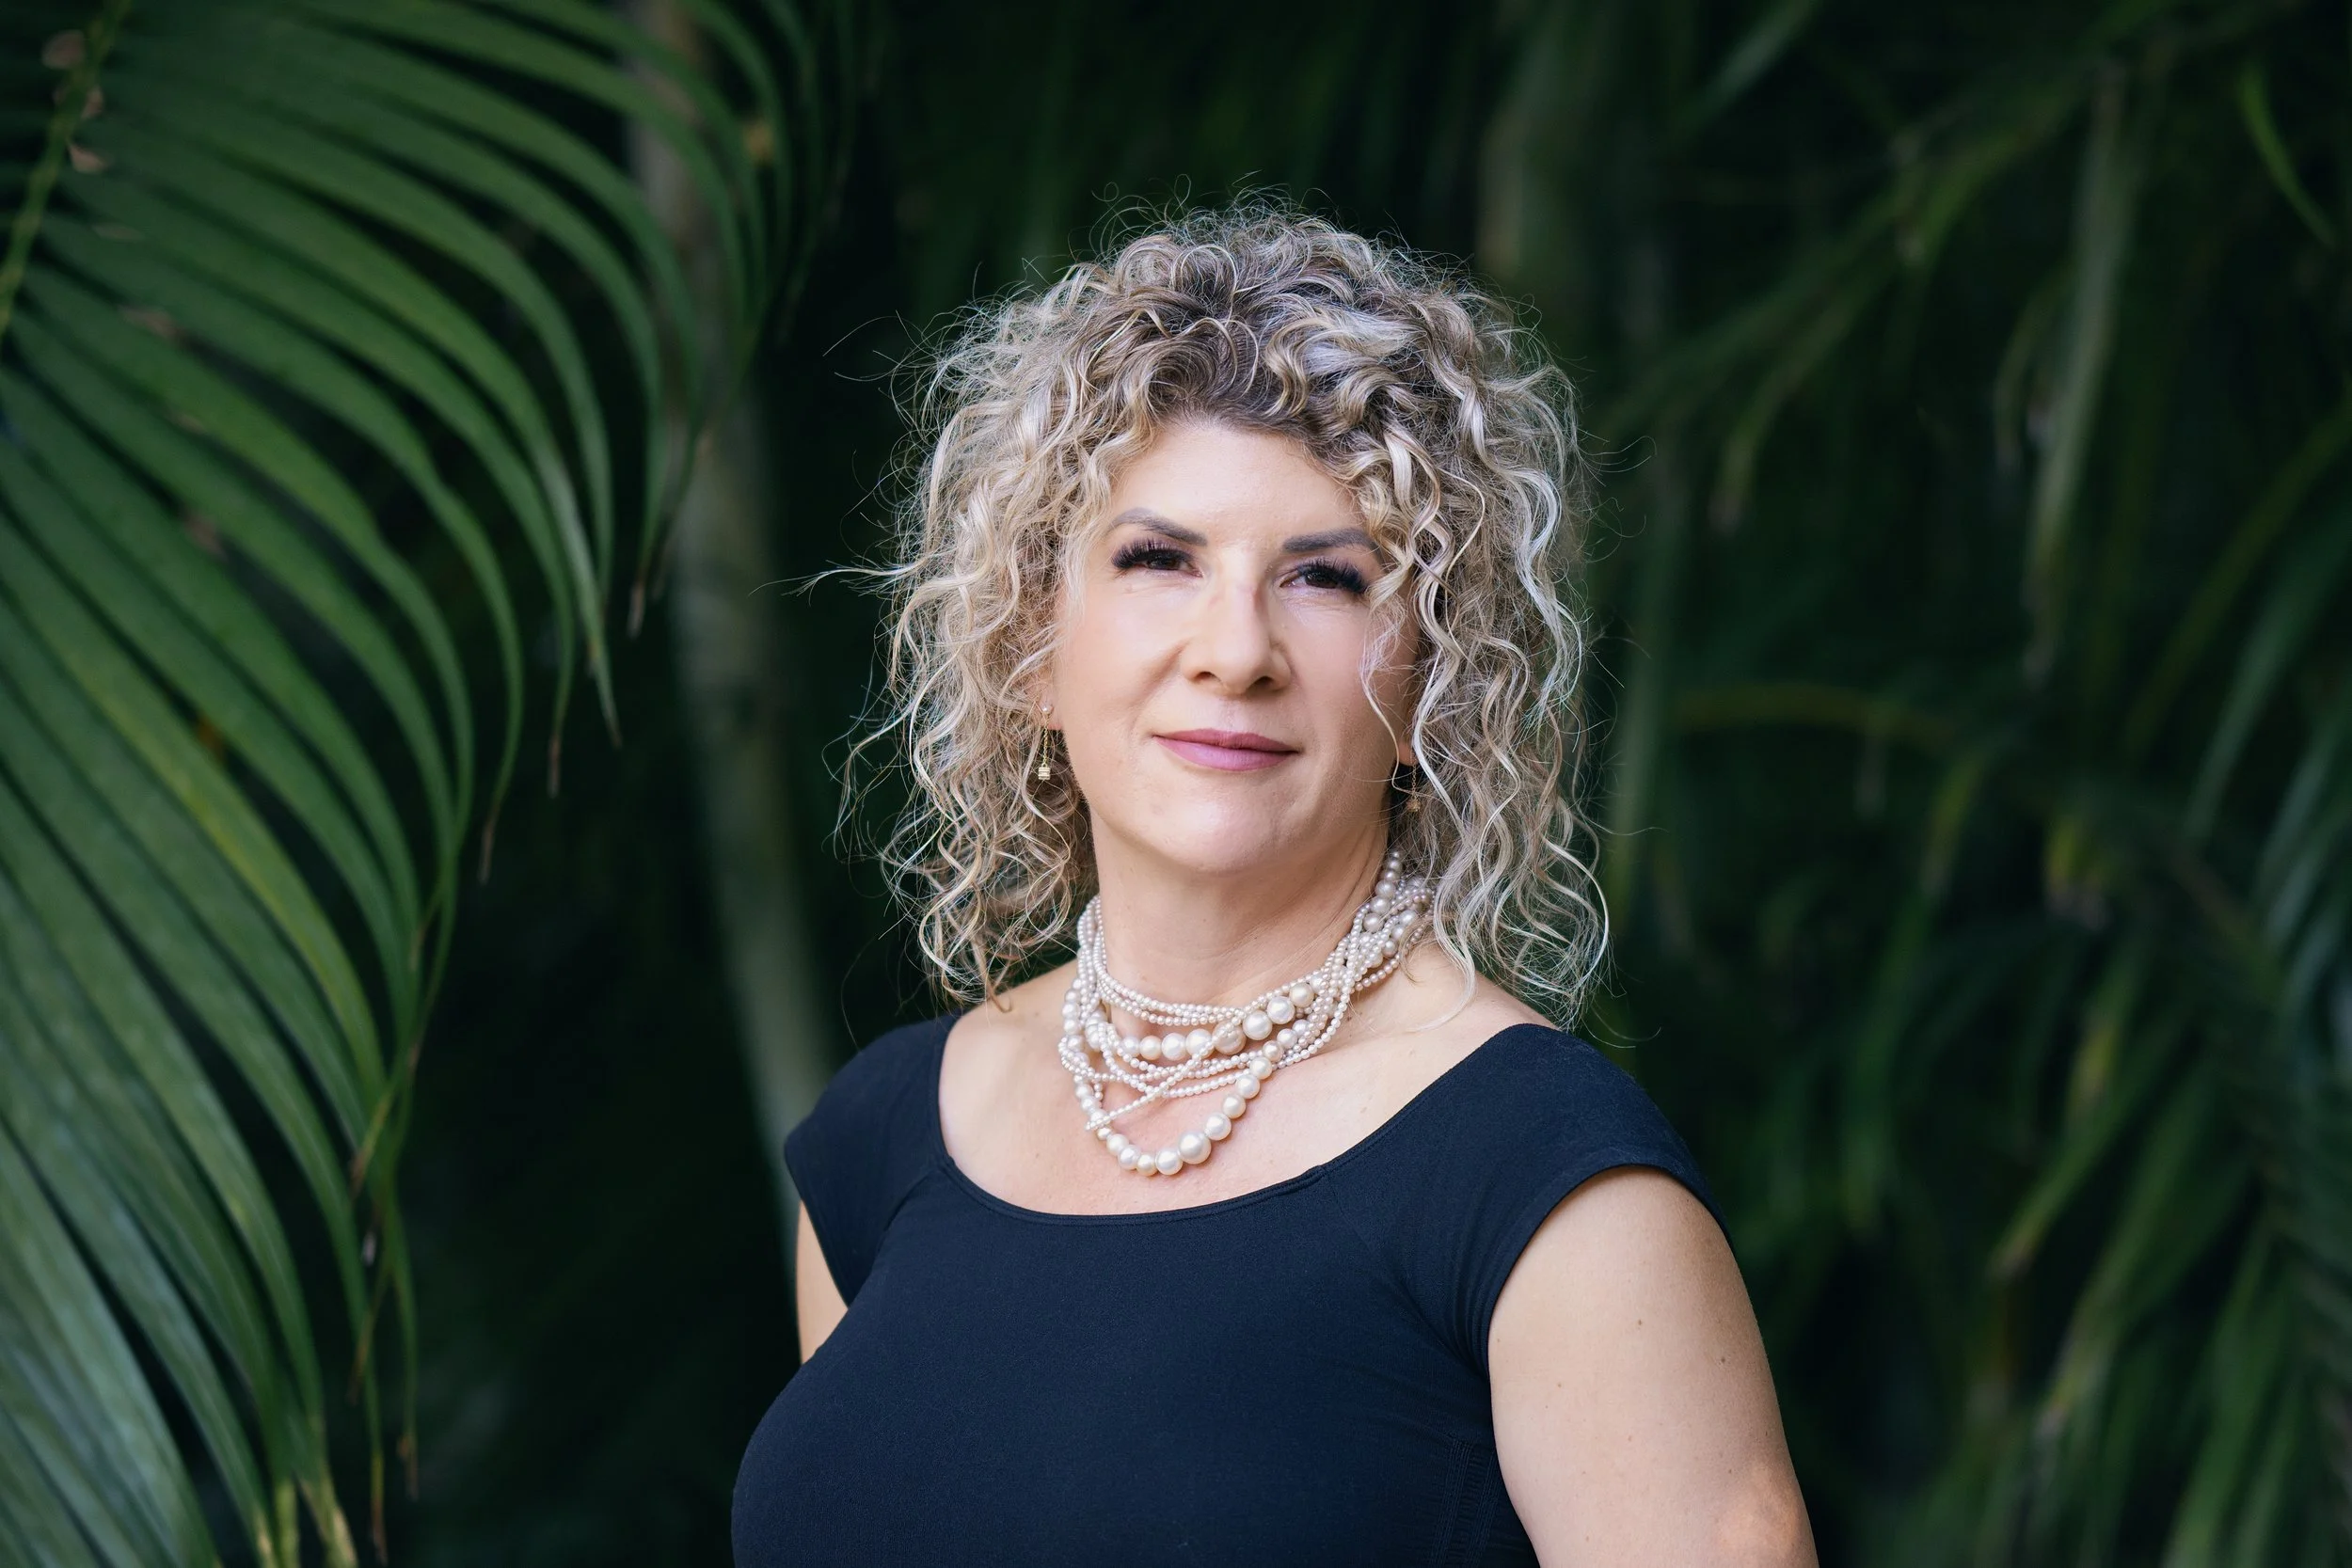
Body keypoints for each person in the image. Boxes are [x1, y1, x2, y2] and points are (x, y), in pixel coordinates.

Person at [732, 204, 1815, 1566]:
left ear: (1434, 686)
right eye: (1158, 559)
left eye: (1325, 578)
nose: (1233, 649)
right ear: (1029, 643)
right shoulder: (885, 1137)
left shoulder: (1544, 1177)